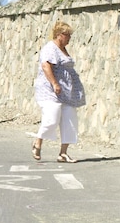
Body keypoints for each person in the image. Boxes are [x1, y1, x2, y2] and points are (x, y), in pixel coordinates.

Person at [32, 21, 85, 163]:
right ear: (59, 35)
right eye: (67, 35)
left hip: (67, 91)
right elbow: (46, 66)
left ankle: (63, 153)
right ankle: (38, 142)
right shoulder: (51, 48)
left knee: (70, 120)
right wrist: (55, 83)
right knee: (52, 118)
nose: (69, 38)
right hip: (50, 90)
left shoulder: (63, 49)